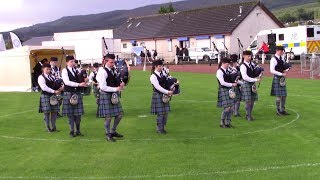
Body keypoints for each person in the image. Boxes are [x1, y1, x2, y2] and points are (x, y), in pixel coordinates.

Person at [96, 54, 125, 142]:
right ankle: (108, 134)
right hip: (105, 94)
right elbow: (103, 87)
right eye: (111, 62)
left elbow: (114, 80)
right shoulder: (102, 71)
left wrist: (120, 84)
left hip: (113, 94)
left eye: (114, 62)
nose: (113, 64)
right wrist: (116, 89)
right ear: (105, 61)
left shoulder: (113, 69)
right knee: (108, 117)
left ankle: (113, 131)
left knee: (119, 115)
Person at [61, 55, 88, 137]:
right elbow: (66, 82)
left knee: (78, 115)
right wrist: (79, 84)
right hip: (68, 93)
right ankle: (71, 131)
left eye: (74, 61)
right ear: (67, 62)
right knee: (70, 114)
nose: (73, 63)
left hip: (77, 93)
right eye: (71, 62)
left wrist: (85, 81)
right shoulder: (64, 71)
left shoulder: (77, 70)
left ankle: (78, 130)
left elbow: (81, 80)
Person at [150, 60, 173, 134]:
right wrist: (167, 92)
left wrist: (172, 87)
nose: (161, 67)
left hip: (165, 94)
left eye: (161, 66)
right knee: (160, 113)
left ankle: (162, 127)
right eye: (159, 66)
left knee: (165, 113)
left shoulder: (163, 73)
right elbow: (158, 87)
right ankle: (159, 129)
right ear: (155, 67)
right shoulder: (153, 76)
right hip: (158, 95)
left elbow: (168, 81)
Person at [38, 63, 63, 132]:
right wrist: (54, 91)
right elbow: (44, 87)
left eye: (49, 69)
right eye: (47, 69)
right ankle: (48, 128)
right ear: (43, 69)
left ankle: (54, 127)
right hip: (45, 96)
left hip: (53, 96)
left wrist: (60, 88)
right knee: (46, 112)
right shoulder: (41, 77)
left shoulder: (52, 76)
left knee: (54, 112)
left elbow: (57, 84)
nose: (48, 70)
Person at [240, 51, 261, 121]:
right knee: (248, 101)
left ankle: (249, 114)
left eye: (250, 56)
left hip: (252, 84)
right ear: (244, 56)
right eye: (248, 56)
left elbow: (255, 73)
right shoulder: (243, 66)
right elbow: (245, 77)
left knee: (252, 100)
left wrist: (260, 73)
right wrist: (255, 80)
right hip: (246, 83)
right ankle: (247, 115)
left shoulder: (252, 64)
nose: (250, 57)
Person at [216, 58, 237, 128]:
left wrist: (240, 83)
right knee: (227, 108)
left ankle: (228, 122)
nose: (228, 65)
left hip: (230, 90)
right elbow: (222, 82)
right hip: (223, 89)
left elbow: (232, 79)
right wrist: (232, 84)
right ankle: (222, 122)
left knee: (231, 107)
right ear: (223, 63)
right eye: (227, 64)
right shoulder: (219, 72)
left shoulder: (228, 71)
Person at [270, 46, 290, 116]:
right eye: (282, 51)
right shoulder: (273, 59)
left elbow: (283, 67)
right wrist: (282, 73)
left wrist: (287, 68)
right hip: (277, 78)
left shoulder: (282, 58)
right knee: (278, 96)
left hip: (282, 79)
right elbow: (272, 70)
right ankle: (278, 110)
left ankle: (283, 110)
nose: (282, 52)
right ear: (278, 51)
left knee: (284, 95)